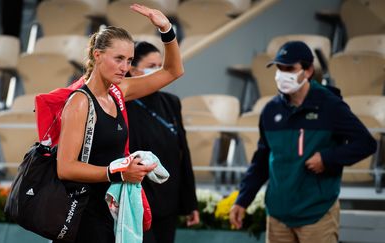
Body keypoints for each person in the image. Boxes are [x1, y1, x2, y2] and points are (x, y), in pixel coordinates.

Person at [55, 4, 183, 243]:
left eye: (130, 60)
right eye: (119, 59)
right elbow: (65, 168)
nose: (125, 68)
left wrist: (166, 29)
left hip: (112, 208)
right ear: (97, 55)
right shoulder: (80, 102)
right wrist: (118, 172)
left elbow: (173, 70)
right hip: (84, 213)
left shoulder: (118, 91)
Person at [229, 41, 377, 243]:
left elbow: (366, 143)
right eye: (279, 68)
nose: (282, 74)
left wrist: (328, 158)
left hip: (316, 214)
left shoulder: (330, 106)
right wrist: (243, 200)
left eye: (289, 68)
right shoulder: (271, 111)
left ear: (307, 71)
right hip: (278, 216)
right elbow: (262, 159)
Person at [125, 41, 200, 243]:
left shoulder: (171, 102)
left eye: (161, 65)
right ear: (132, 70)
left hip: (168, 200)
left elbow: (183, 154)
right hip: (136, 200)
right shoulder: (121, 103)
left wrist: (190, 202)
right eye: (151, 66)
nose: (158, 71)